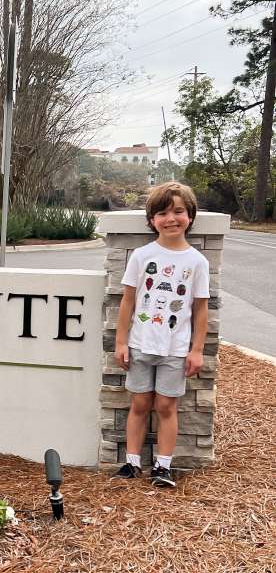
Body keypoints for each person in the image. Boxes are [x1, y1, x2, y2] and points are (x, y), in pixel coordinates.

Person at [113, 181, 209, 488]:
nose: (171, 219)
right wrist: (121, 341)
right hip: (141, 344)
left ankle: (163, 466)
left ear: (190, 216)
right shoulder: (142, 256)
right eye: (163, 212)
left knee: (167, 406)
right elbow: (128, 301)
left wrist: (197, 349)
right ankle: (131, 463)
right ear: (152, 219)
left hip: (175, 348)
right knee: (140, 403)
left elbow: (200, 309)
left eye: (178, 211)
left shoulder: (197, 262)